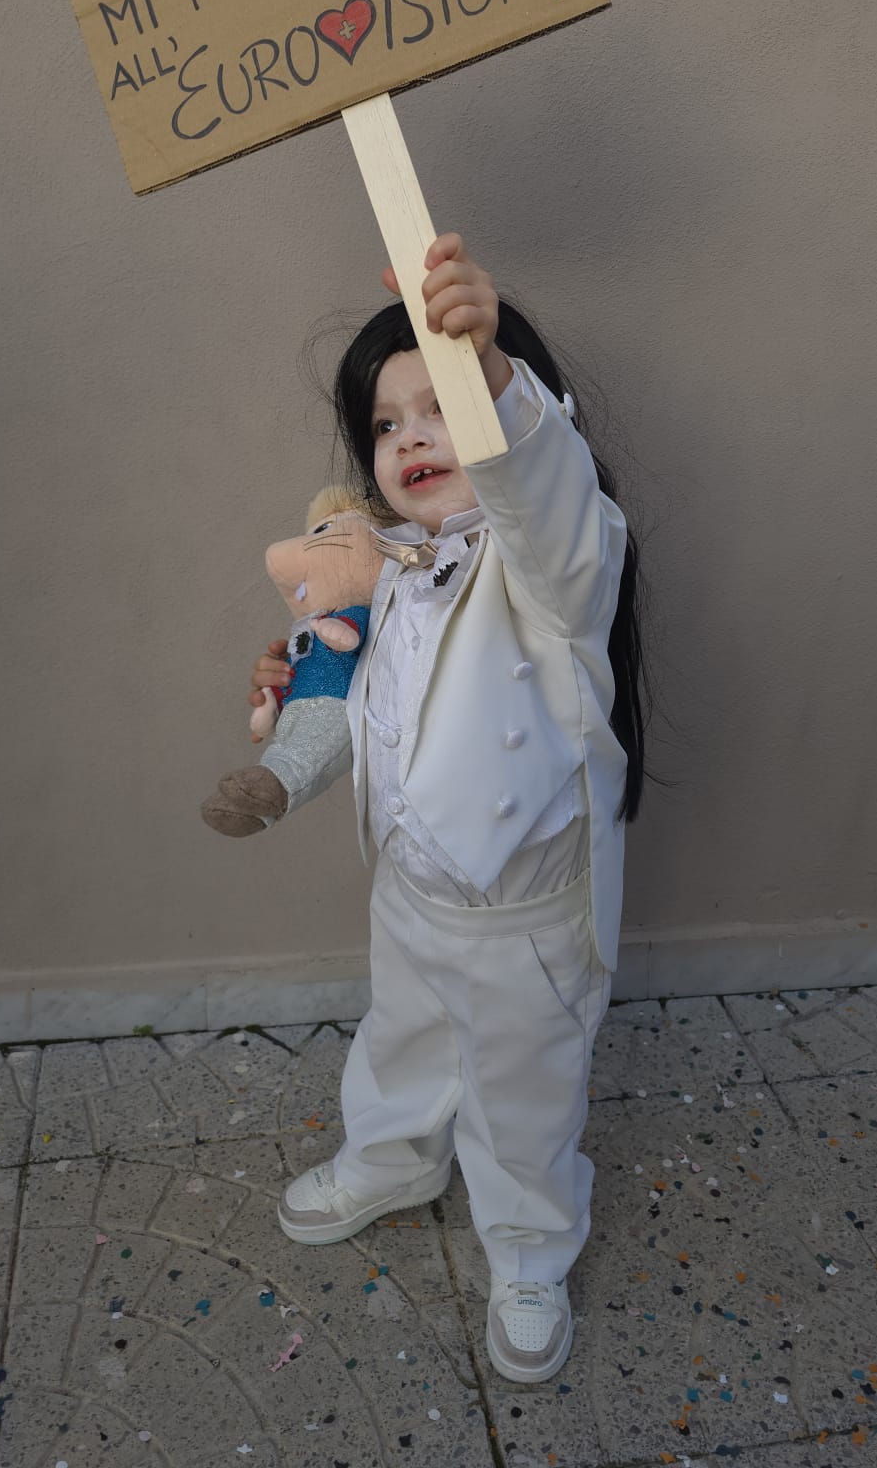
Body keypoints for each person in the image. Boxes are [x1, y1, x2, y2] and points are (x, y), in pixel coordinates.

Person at [246, 232, 648, 1385]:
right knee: (402, 1035)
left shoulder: (557, 570)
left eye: (444, 403)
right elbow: (365, 693)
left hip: (528, 911)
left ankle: (527, 1243)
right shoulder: (390, 569)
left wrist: (494, 377)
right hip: (411, 891)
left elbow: (551, 500)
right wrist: (300, 693)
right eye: (387, 421)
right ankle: (393, 1153)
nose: (413, 433)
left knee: (525, 1089)